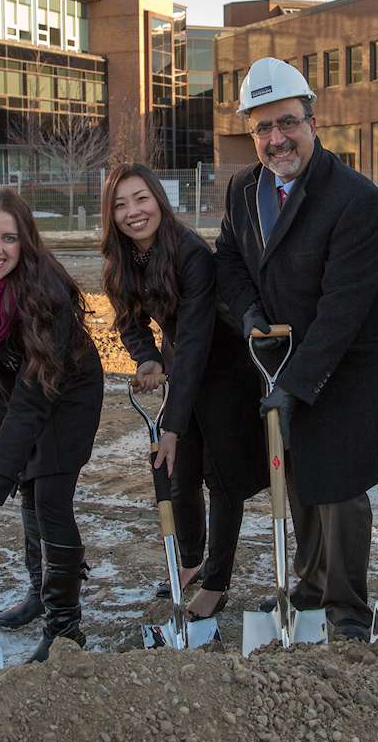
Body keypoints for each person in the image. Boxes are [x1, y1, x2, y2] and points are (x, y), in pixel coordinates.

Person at [214, 56, 378, 641]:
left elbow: (343, 309)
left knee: (338, 481)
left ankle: (347, 609)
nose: (277, 139)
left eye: (288, 123)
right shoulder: (245, 190)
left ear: (313, 122)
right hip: (281, 358)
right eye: (263, 128)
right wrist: (248, 313)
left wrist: (296, 385)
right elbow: (229, 259)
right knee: (298, 475)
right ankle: (311, 587)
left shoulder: (356, 199)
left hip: (346, 363)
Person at [0, 188, 104, 663]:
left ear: (25, 243)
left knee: (50, 497)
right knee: (29, 488)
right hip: (15, 383)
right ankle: (39, 591)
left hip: (66, 391)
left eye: (9, 238)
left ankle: (64, 629)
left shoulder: (45, 294)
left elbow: (30, 410)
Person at [100, 163, 269, 621]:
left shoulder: (190, 252)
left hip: (225, 366)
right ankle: (191, 560)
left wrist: (172, 424)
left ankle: (217, 582)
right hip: (183, 363)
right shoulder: (122, 258)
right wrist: (147, 358)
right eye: (121, 204)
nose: (133, 212)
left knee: (221, 476)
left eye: (141, 199)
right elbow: (130, 320)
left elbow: (195, 338)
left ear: (159, 199)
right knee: (180, 472)